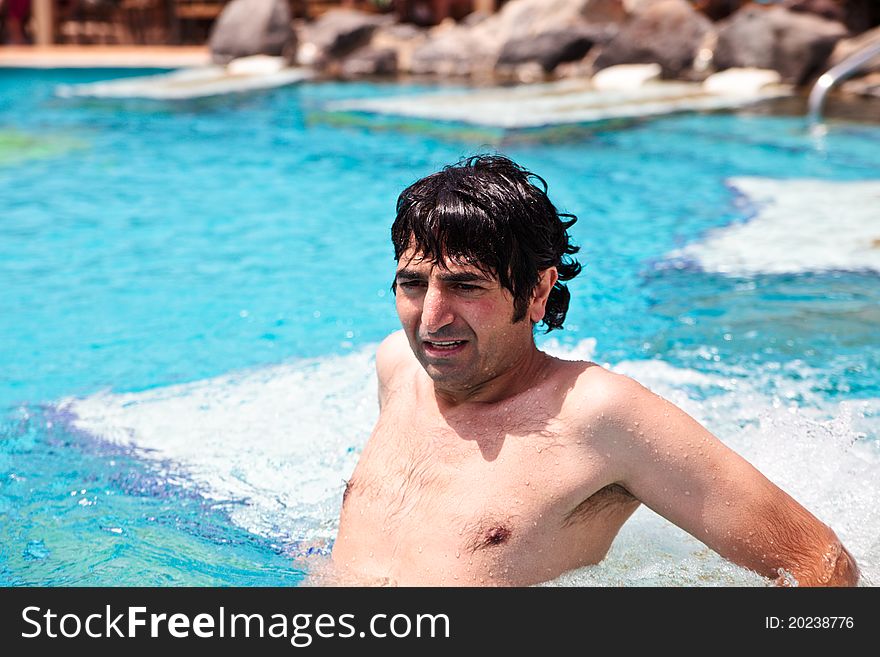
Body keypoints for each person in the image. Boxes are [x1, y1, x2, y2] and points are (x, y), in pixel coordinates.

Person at [330, 154, 859, 586]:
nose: (432, 318)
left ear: (537, 290)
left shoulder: (600, 415)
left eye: (467, 286)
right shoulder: (399, 368)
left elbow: (823, 567)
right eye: (413, 285)